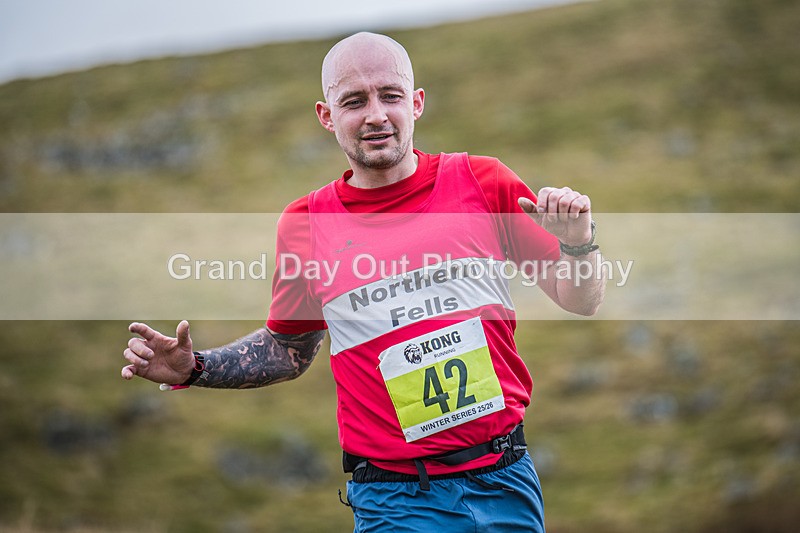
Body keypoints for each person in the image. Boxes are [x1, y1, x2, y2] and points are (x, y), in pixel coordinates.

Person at [121, 32, 606, 532]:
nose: (375, 115)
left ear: (416, 104)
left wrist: (578, 243)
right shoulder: (306, 222)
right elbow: (289, 350)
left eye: (390, 96)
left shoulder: (484, 181)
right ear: (326, 115)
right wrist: (194, 367)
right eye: (354, 101)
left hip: (505, 480)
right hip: (395, 499)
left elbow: (582, 299)